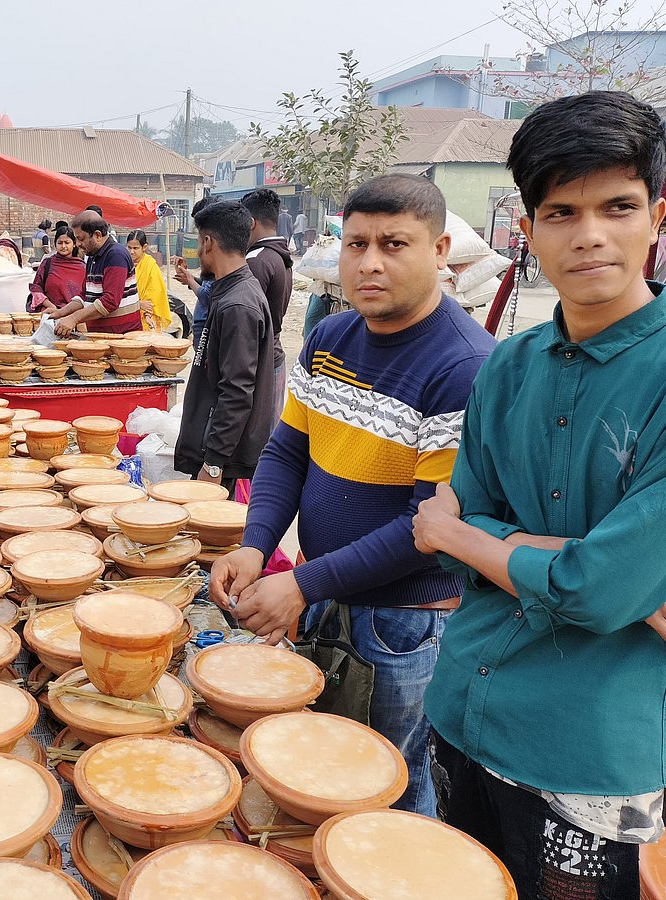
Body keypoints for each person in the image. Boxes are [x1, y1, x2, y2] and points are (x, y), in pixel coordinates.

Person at [413, 91, 666, 899]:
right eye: (561, 211)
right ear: (530, 229)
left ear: (655, 216)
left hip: (588, 751)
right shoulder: (506, 367)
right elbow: (590, 577)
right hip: (462, 710)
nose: (589, 235)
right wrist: (606, 571)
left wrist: (463, 535)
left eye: (617, 207)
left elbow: (600, 590)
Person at [209, 175, 495, 817]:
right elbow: (287, 452)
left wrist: (305, 584)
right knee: (322, 767)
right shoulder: (331, 338)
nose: (370, 262)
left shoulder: (465, 367)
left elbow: (427, 530)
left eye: (395, 244)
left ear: (441, 249)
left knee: (388, 783)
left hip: (405, 624)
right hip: (326, 595)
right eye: (356, 242)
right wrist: (257, 547)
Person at [174, 200, 277, 489]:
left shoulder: (238, 304)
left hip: (220, 455)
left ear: (208, 242)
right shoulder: (229, 290)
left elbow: (236, 391)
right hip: (214, 444)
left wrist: (214, 462)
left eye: (197, 241)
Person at [241, 188, 294, 420]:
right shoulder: (279, 255)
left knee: (256, 442)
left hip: (258, 363)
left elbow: (248, 323)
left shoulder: (257, 260)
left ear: (251, 223)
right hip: (273, 356)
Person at [51, 210, 142, 336]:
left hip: (122, 337)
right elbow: (85, 295)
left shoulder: (116, 255)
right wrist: (60, 312)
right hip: (102, 336)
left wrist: (74, 318)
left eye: (81, 239)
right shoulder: (93, 256)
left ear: (97, 235)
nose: (78, 244)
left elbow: (110, 301)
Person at [172, 196, 215, 345]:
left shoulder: (218, 258)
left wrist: (190, 280)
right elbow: (207, 284)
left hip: (207, 328)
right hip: (201, 324)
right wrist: (190, 279)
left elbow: (207, 295)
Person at [28, 225, 86, 314]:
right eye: (60, 243)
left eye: (67, 243)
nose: (63, 246)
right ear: (55, 244)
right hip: (50, 314)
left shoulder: (83, 268)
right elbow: (36, 289)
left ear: (74, 244)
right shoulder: (47, 264)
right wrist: (51, 306)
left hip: (75, 317)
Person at [127, 229, 170, 331]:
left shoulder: (150, 265)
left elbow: (153, 292)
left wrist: (147, 314)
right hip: (128, 313)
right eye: (129, 247)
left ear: (144, 247)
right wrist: (137, 303)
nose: (131, 251)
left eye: (135, 248)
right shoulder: (124, 263)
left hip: (146, 318)